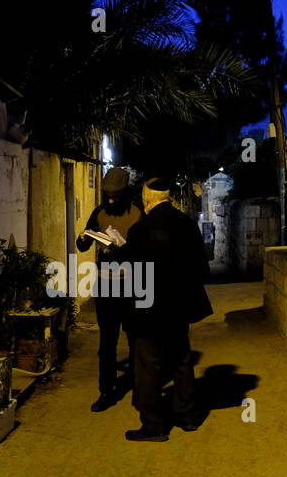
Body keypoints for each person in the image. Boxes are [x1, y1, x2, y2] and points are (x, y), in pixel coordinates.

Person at [122, 177, 213, 442]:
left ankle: (154, 425)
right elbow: (201, 267)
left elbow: (134, 271)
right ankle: (187, 417)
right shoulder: (187, 224)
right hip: (179, 307)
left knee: (148, 364)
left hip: (149, 309)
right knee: (180, 359)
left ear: (148, 198)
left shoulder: (141, 229)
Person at [76, 166, 143, 411]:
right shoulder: (99, 213)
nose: (112, 199)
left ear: (125, 192)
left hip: (131, 285)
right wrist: (84, 238)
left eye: (116, 194)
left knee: (135, 339)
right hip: (105, 287)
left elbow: (143, 250)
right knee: (106, 343)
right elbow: (83, 244)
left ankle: (139, 390)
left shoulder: (137, 214)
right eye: (108, 194)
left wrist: (123, 248)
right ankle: (106, 391)